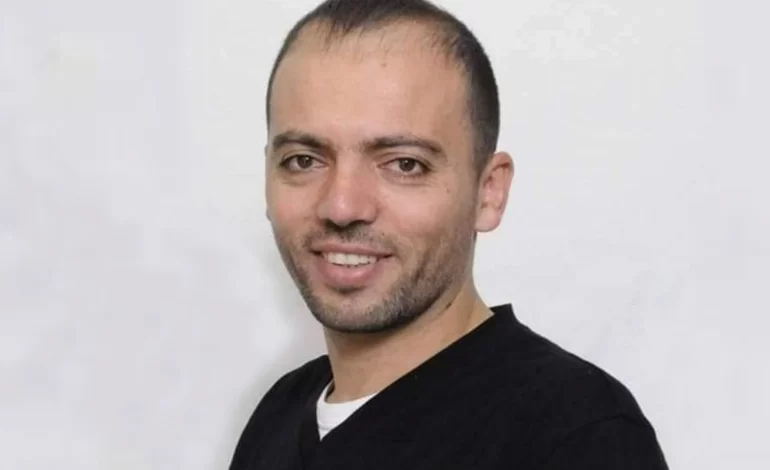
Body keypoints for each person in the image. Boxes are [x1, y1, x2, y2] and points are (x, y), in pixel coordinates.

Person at [229, 0, 669, 468]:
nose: (342, 206)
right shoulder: (278, 415)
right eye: (303, 160)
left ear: (488, 192)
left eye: (405, 164)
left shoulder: (577, 434)